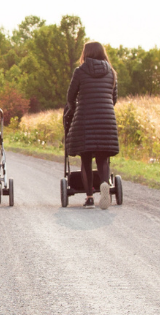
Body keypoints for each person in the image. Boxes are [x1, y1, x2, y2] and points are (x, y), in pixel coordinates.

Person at [63, 41, 119, 209]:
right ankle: (104, 183)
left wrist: (72, 108)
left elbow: (70, 96)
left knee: (86, 159)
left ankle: (89, 197)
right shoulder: (111, 72)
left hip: (85, 120)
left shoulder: (80, 71)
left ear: (85, 53)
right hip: (107, 120)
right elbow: (114, 98)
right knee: (102, 159)